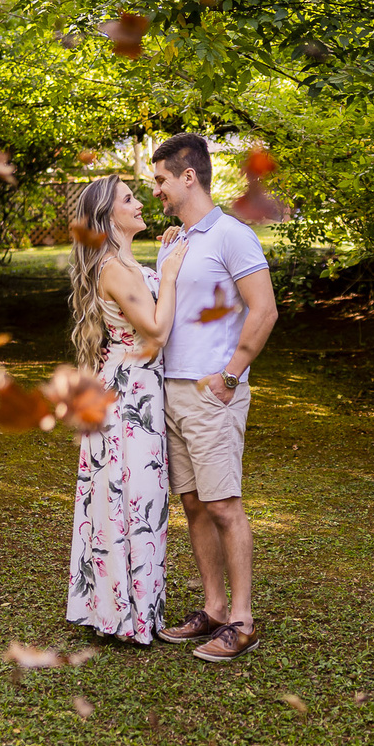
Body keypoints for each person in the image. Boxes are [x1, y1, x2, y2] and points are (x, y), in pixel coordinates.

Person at [150, 133, 279, 663]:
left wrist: (230, 375)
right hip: (171, 390)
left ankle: (243, 622)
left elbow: (264, 310)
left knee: (224, 504)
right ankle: (215, 608)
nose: (155, 189)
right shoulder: (175, 241)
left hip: (212, 392)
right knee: (194, 504)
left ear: (189, 176)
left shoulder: (232, 235)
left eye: (160, 179)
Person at [65, 174, 188, 644]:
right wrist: (169, 273)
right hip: (127, 397)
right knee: (132, 499)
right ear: (107, 216)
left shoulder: (126, 263)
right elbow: (156, 330)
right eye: (129, 199)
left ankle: (131, 609)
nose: (140, 203)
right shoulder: (114, 267)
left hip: (137, 390)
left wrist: (165, 258)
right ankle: (124, 615)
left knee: (138, 499)